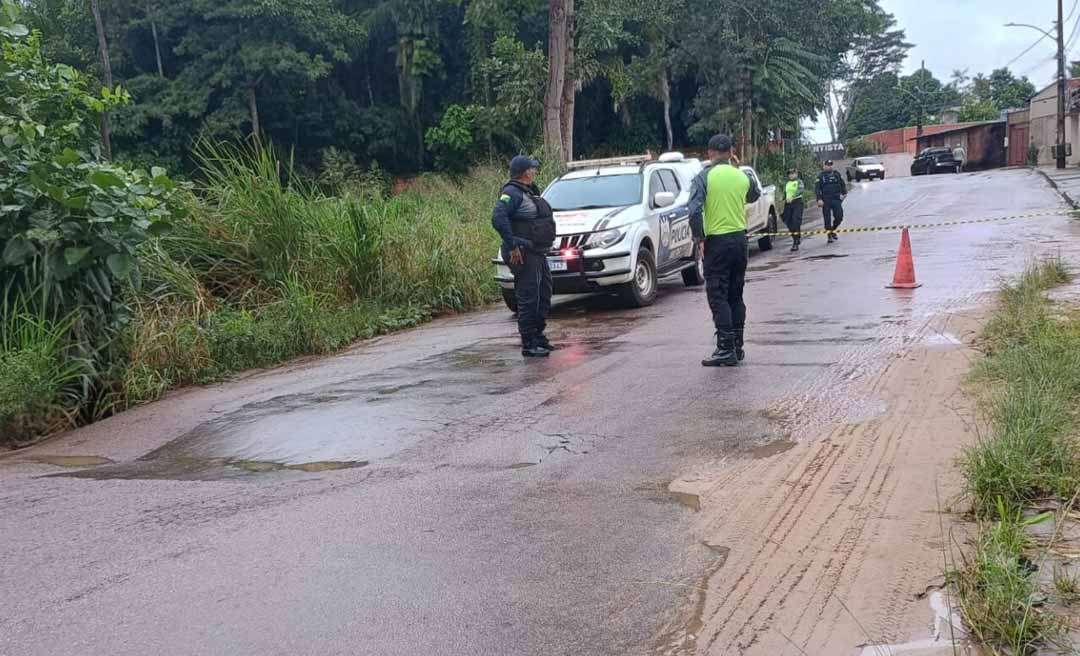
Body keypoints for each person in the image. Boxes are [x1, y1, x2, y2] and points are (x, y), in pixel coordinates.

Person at [689, 134, 762, 367]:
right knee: (735, 294)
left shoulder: (704, 177)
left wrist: (699, 239)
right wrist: (738, 168)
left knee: (717, 295)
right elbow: (754, 195)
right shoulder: (741, 176)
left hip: (717, 243)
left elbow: (693, 211)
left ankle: (725, 349)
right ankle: (737, 346)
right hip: (740, 241)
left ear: (709, 153)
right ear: (731, 152)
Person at [491, 155, 557, 358]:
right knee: (528, 297)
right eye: (532, 169)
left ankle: (538, 336)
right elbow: (498, 218)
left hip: (536, 252)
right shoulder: (511, 193)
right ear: (525, 172)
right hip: (523, 252)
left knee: (543, 294)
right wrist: (512, 246)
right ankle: (528, 343)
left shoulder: (527, 191)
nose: (534, 172)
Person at [815, 159, 847, 244]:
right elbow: (817, 189)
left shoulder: (837, 174)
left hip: (836, 199)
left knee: (839, 216)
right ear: (824, 166)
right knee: (827, 218)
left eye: (831, 165)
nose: (829, 166)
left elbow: (842, 184)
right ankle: (829, 236)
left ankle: (833, 230)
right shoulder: (820, 176)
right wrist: (819, 199)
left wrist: (844, 193)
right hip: (826, 199)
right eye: (828, 165)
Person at [782, 168, 805, 253]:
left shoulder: (799, 182)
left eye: (792, 173)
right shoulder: (787, 183)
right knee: (788, 222)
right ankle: (795, 237)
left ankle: (796, 241)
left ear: (796, 174)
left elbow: (800, 190)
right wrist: (782, 199)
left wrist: (793, 197)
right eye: (789, 174)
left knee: (796, 221)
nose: (791, 175)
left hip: (797, 203)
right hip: (788, 204)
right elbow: (785, 193)